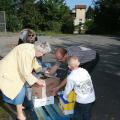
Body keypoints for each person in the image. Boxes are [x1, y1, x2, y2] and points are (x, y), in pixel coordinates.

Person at [0, 41, 51, 120]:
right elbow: (26, 72)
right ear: (39, 50)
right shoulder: (27, 52)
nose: (43, 55)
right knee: (20, 90)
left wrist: (41, 69)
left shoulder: (32, 48)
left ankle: (17, 104)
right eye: (43, 53)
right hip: (8, 71)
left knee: (15, 90)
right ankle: (20, 114)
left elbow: (33, 61)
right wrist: (37, 81)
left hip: (14, 69)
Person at [63, 56, 95, 120]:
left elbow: (68, 89)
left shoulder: (71, 77)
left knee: (77, 113)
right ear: (79, 63)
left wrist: (65, 96)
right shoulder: (84, 70)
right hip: (91, 98)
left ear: (69, 66)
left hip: (81, 100)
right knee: (87, 113)